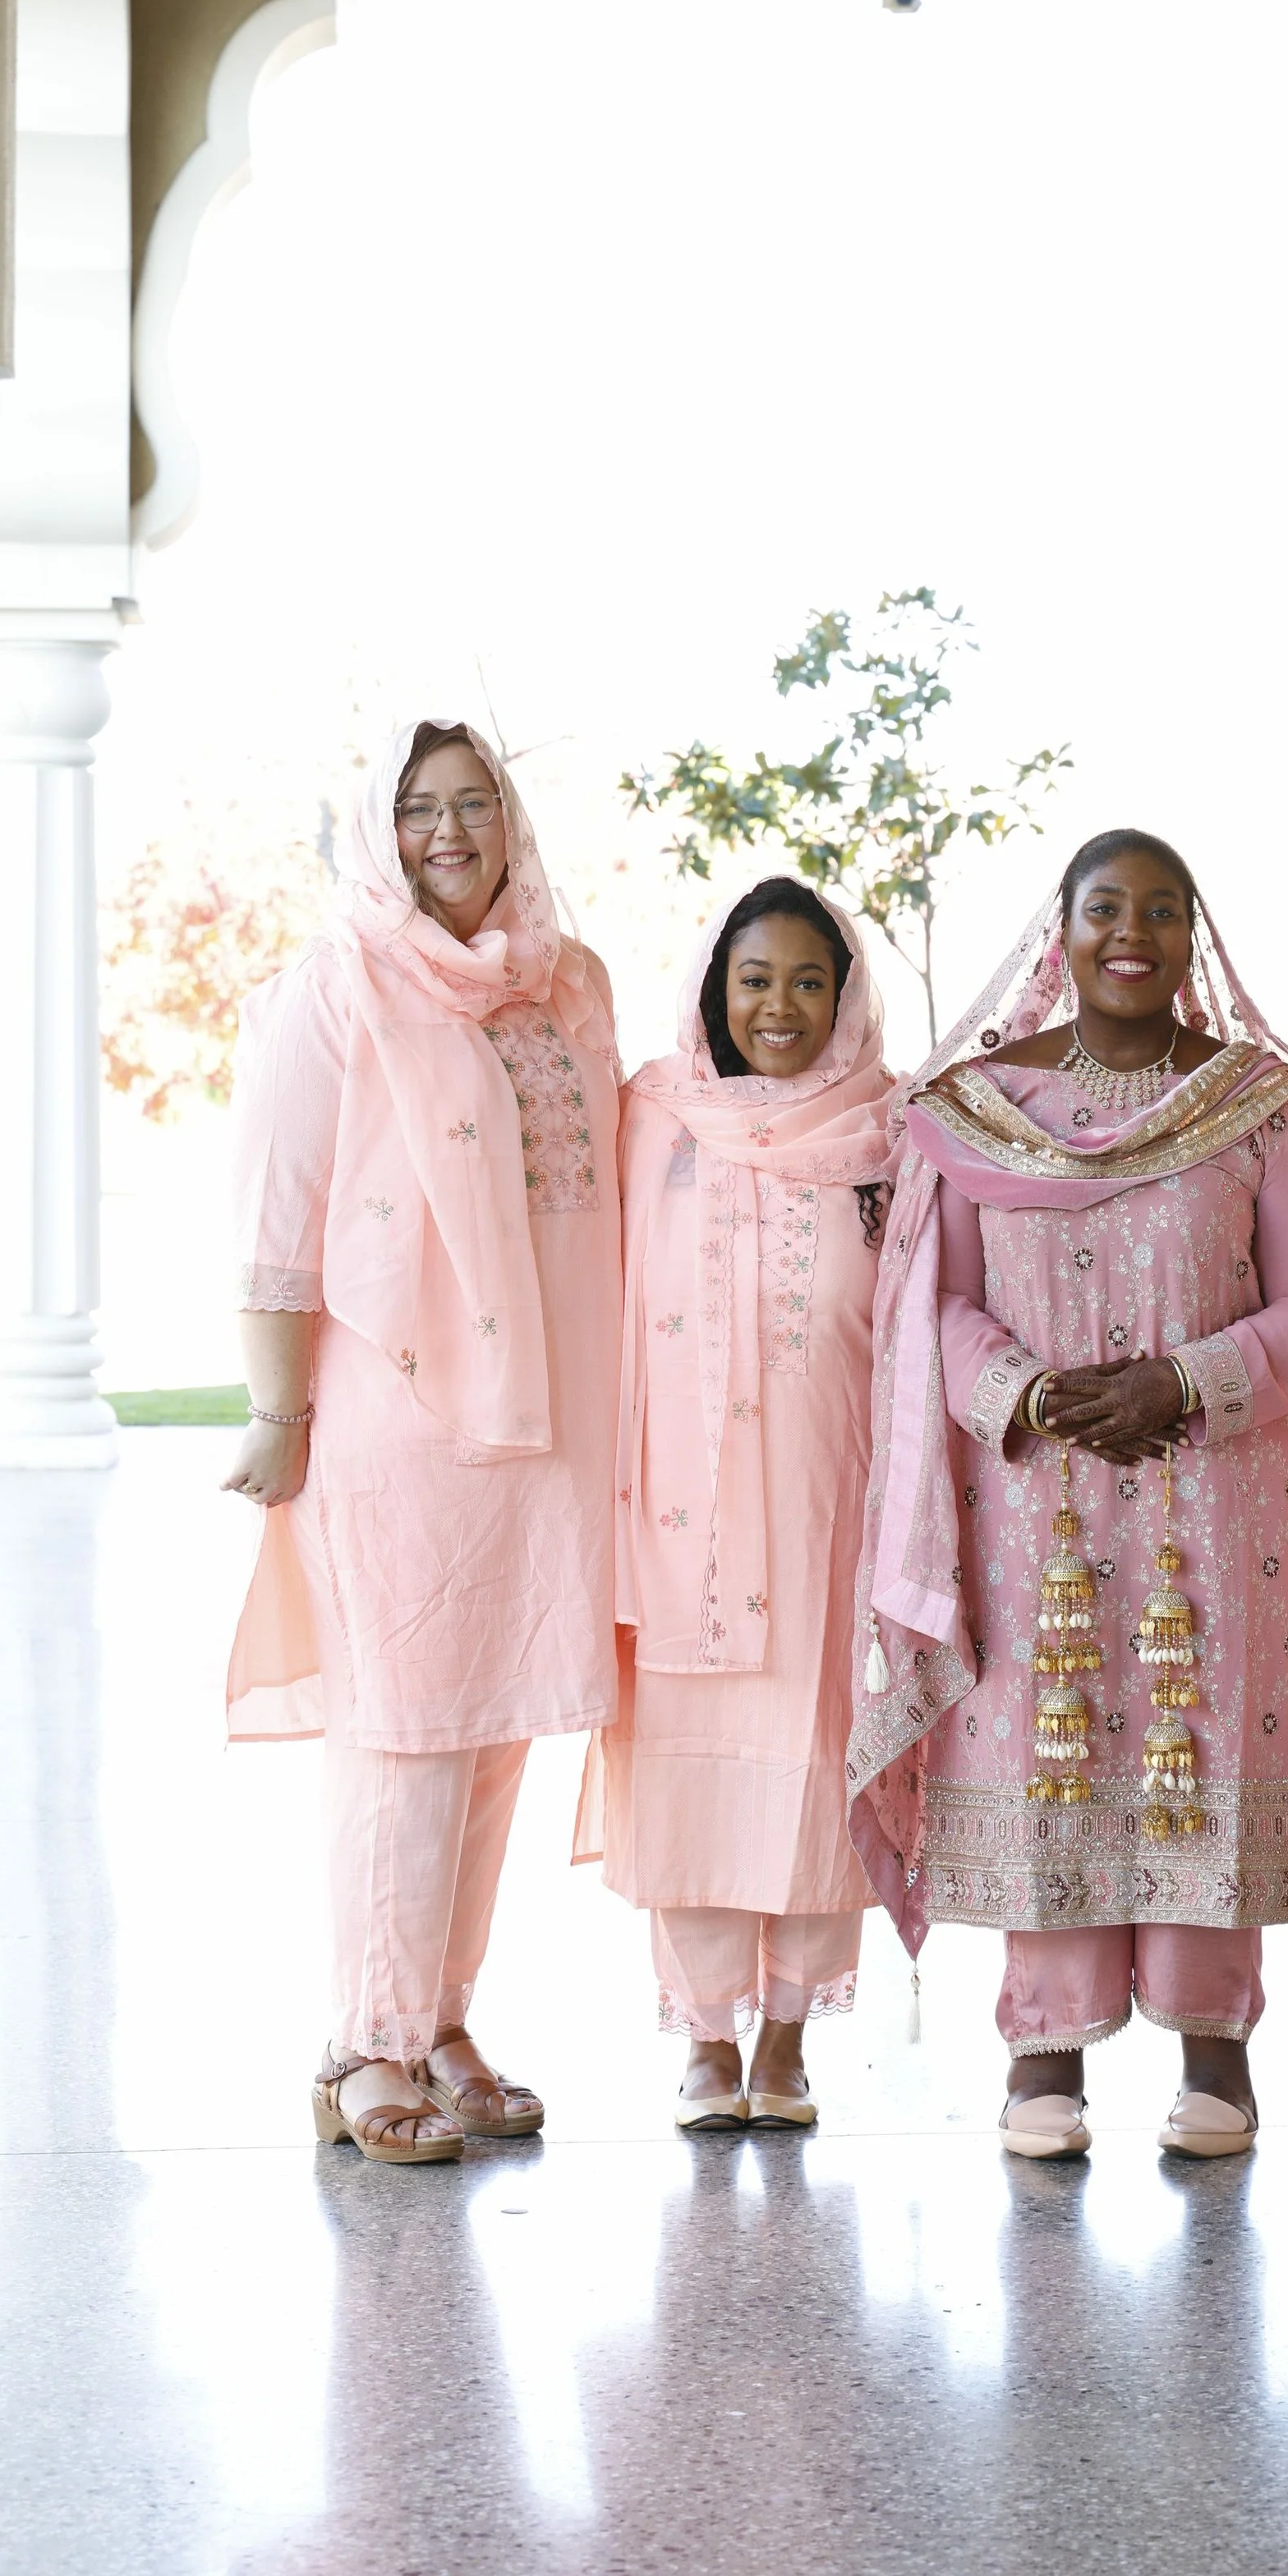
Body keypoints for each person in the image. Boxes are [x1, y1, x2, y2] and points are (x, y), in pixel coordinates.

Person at [849, 830, 1288, 2163]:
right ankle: (1045, 2055)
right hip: (1036, 1497)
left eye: (1160, 908)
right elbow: (935, 1300)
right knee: (1051, 1734)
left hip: (1231, 1489)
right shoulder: (978, 1111)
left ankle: (1216, 2054)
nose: (1130, 930)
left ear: (1195, 937)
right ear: (1062, 932)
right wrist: (1026, 1392)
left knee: (1209, 1737)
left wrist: (1189, 1380)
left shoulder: (1264, 1107)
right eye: (1105, 907)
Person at [223, 716, 622, 2164]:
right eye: (415, 810)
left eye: (473, 804)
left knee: (499, 1728)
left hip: (552, 1418)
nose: (447, 833)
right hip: (398, 1412)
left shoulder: (571, 982)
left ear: (513, 818)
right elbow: (278, 1223)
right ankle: (364, 2044)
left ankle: (443, 2018)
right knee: (402, 1733)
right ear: (376, 832)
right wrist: (279, 1415)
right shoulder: (335, 987)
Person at [579, 877, 894, 2130]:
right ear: (716, 989)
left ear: (846, 996)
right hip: (677, 1505)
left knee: (818, 1760)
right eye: (754, 979)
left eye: (808, 982)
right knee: (690, 1763)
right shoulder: (654, 1116)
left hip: (830, 1495)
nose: (779, 1005)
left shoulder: (887, 1126)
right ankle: (706, 2035)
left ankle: (789, 2033)